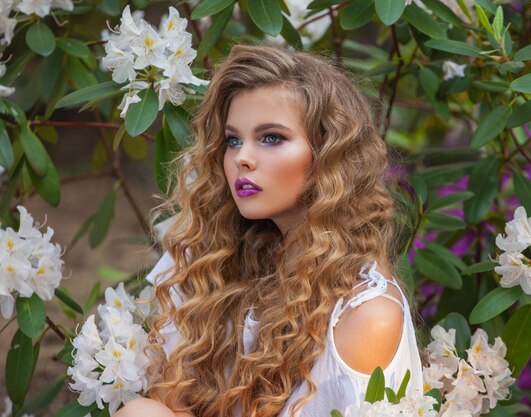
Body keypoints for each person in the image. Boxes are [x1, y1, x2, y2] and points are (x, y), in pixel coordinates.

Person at [115, 44, 423, 417]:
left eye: (271, 137)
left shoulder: (367, 314)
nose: (242, 157)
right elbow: (172, 405)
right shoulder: (216, 261)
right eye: (233, 140)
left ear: (328, 153)